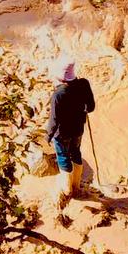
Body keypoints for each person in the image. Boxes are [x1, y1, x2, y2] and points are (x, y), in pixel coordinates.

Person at [45, 62, 96, 202]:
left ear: (60, 78)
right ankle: (76, 185)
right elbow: (91, 107)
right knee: (75, 152)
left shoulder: (58, 94)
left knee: (63, 156)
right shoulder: (84, 84)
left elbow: (54, 120)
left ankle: (67, 189)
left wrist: (48, 136)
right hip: (78, 128)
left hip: (62, 133)